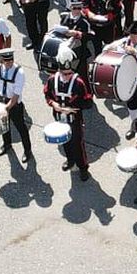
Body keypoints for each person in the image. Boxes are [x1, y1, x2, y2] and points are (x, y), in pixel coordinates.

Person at [45, 47, 94, 179]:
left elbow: (88, 102)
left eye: (69, 73)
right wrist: (54, 104)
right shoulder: (51, 80)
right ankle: (70, 160)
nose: (66, 76)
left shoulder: (79, 83)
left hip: (74, 119)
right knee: (65, 142)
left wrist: (73, 107)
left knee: (77, 143)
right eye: (64, 73)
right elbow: (47, 95)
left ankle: (83, 167)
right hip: (59, 117)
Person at [107, 21, 137, 136]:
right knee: (131, 104)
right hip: (129, 80)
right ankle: (135, 125)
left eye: (134, 35)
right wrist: (114, 49)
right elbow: (109, 47)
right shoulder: (126, 41)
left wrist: (136, 52)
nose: (131, 37)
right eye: (131, 35)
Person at [0, 48, 33, 163]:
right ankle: (7, 144)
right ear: (1, 60)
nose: (9, 63)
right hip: (1, 101)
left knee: (21, 128)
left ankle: (27, 150)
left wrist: (7, 108)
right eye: (6, 61)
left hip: (14, 105)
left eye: (11, 60)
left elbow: (15, 95)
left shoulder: (19, 73)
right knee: (4, 126)